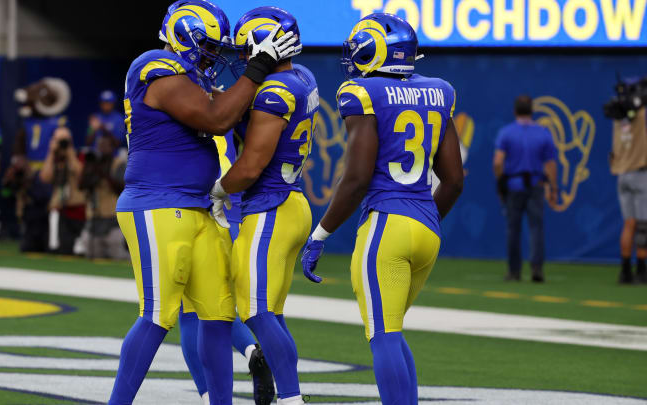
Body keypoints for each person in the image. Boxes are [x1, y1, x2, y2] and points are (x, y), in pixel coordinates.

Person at [108, 0, 297, 403]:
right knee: (159, 316)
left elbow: (228, 109)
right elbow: (216, 118)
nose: (214, 55)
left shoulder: (190, 76)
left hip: (197, 206)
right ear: (185, 35)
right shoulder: (155, 65)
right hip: (156, 204)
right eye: (209, 46)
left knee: (216, 313)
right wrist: (258, 68)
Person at [300, 13, 463, 405]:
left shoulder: (361, 92)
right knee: (392, 331)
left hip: (387, 224)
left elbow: (356, 178)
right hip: (426, 228)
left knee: (383, 335)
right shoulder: (439, 91)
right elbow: (454, 179)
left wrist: (320, 234)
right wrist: (421, 219)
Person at [209, 8, 313, 405]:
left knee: (254, 312)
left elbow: (250, 166)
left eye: (245, 48)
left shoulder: (274, 92)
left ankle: (290, 398)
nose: (241, 56)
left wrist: (219, 190)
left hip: (270, 205)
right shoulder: (301, 77)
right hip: (292, 202)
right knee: (273, 314)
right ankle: (286, 396)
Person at [180, 131, 275, 405]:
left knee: (192, 313)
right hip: (236, 219)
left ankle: (211, 396)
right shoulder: (227, 116)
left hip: (206, 217)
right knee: (221, 308)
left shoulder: (187, 114)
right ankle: (251, 350)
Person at [493, 95, 558, 283]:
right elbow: (551, 164)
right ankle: (536, 269)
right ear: (532, 111)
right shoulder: (543, 133)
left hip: (514, 185)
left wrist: (500, 182)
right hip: (536, 185)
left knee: (513, 229)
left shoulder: (506, 133)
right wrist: (553, 188)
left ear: (515, 111)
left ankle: (514, 271)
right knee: (536, 228)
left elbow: (498, 162)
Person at [610, 104, 647, 284]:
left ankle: (625, 271)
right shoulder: (640, 116)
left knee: (629, 223)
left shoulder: (618, 119)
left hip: (622, 173)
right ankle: (641, 270)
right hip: (639, 173)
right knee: (642, 224)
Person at [76, 135, 129, 260]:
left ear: (112, 148)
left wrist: (104, 174)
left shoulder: (119, 164)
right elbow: (81, 186)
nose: (102, 149)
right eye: (100, 145)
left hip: (113, 217)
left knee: (117, 255)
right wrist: (89, 168)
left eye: (105, 146)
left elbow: (122, 188)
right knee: (93, 255)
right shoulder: (94, 163)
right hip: (94, 217)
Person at [39, 127, 86, 255]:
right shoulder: (54, 158)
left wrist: (70, 153)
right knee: (61, 249)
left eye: (64, 140)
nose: (62, 143)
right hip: (59, 208)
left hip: (78, 208)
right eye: (58, 140)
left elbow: (80, 173)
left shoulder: (79, 155)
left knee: (75, 251)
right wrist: (51, 153)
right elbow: (45, 177)